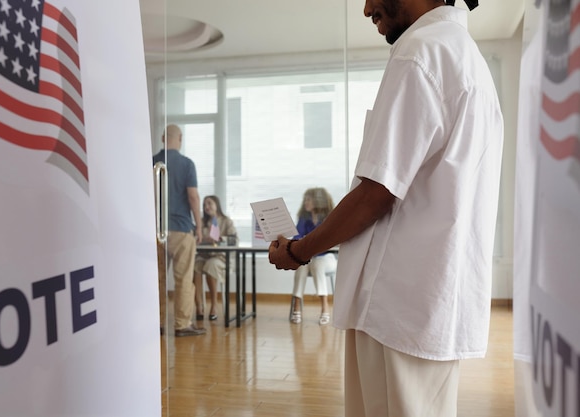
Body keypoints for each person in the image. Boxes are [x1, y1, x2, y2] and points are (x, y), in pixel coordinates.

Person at [268, 1, 503, 416]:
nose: (366, 8)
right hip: (433, 302)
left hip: (398, 307)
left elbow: (376, 192)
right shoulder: (469, 59)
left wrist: (298, 251)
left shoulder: (422, 51)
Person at [153, 124, 206, 337]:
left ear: (163, 138)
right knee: (184, 278)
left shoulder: (152, 161)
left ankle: (157, 322)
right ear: (180, 138)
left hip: (156, 231)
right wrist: (199, 226)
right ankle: (182, 325)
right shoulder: (186, 164)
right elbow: (193, 196)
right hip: (182, 230)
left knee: (157, 279)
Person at [289, 188, 337, 326]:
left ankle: (325, 307)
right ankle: (296, 306)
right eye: (305, 199)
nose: (305, 202)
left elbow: (330, 240)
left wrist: (308, 241)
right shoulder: (304, 218)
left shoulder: (329, 217)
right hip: (309, 258)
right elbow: (297, 237)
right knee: (301, 265)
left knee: (318, 264)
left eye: (308, 199)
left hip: (327, 258)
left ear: (318, 201)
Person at [194, 195, 238, 321]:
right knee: (193, 266)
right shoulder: (201, 223)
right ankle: (199, 306)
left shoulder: (226, 221)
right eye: (204, 205)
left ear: (217, 205)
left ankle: (214, 305)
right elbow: (194, 238)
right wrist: (200, 240)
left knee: (211, 265)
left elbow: (234, 240)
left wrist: (220, 239)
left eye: (209, 204)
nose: (206, 207)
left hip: (222, 258)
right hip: (204, 255)